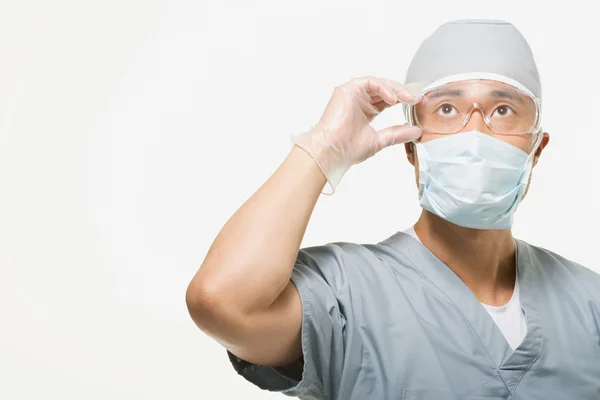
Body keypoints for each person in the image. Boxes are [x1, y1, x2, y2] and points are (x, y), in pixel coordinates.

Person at [186, 19, 600, 399]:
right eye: (447, 109)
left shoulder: (589, 303)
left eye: (503, 110)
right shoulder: (346, 295)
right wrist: (323, 149)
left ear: (536, 147)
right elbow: (221, 302)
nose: (475, 134)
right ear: (411, 148)